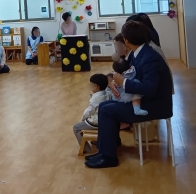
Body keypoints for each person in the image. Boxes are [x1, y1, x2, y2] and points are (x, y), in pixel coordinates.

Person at [85, 21, 173, 169]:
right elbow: (123, 72)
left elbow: (149, 89)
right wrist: (114, 81)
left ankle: (108, 157)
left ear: (126, 40)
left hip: (153, 106)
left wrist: (123, 82)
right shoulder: (138, 53)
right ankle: (107, 148)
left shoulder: (149, 57)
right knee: (104, 105)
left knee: (107, 110)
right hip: (142, 100)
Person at [73, 74, 109, 152]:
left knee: (76, 127)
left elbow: (89, 111)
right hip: (104, 120)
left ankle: (86, 149)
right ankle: (95, 141)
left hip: (95, 122)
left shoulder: (96, 98)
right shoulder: (106, 93)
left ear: (96, 86)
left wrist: (83, 118)